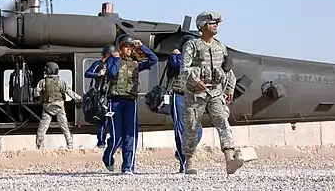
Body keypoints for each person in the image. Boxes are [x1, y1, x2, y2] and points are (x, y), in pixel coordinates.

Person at [181, 11, 244, 175]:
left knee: (223, 122)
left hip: (215, 93)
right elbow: (184, 69)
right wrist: (195, 81)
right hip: (196, 95)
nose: (216, 25)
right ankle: (189, 161)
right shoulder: (192, 45)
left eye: (217, 22)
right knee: (192, 127)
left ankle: (230, 159)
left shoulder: (220, 47)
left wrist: (230, 88)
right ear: (202, 26)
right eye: (212, 22)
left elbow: (228, 70)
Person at [102, 34, 158, 175]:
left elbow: (154, 59)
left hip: (130, 102)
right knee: (117, 135)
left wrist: (142, 46)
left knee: (131, 135)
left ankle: (128, 167)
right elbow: (113, 73)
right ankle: (108, 157)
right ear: (120, 48)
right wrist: (115, 58)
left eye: (130, 47)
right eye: (125, 47)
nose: (128, 50)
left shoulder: (136, 64)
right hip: (114, 101)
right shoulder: (112, 60)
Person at [166, 35, 203, 173]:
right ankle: (184, 163)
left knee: (198, 131)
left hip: (192, 97)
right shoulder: (175, 58)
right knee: (181, 130)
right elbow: (180, 66)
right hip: (178, 96)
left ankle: (181, 151)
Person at [35, 62, 82, 150]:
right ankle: (70, 145)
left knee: (42, 128)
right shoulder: (61, 82)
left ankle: (40, 147)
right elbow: (70, 93)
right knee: (65, 127)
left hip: (47, 108)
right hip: (59, 107)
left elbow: (36, 93)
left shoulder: (42, 82)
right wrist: (80, 99)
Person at [84, 44, 117, 148]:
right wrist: (98, 74)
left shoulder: (115, 65)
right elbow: (87, 73)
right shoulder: (98, 64)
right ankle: (101, 142)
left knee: (114, 119)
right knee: (101, 118)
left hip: (112, 94)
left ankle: (114, 141)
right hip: (100, 95)